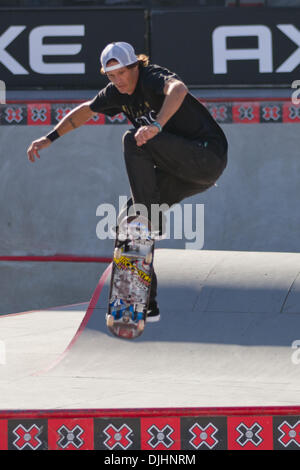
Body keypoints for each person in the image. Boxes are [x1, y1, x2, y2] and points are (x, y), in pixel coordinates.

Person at [27, 41, 228, 323]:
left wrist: (156, 124)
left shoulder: (152, 77)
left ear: (135, 66)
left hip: (207, 155)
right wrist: (49, 137)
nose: (118, 81)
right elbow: (86, 110)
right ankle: (144, 303)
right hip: (183, 175)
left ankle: (148, 220)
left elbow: (179, 89)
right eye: (111, 76)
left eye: (122, 73)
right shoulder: (115, 93)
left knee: (132, 141)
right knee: (128, 221)